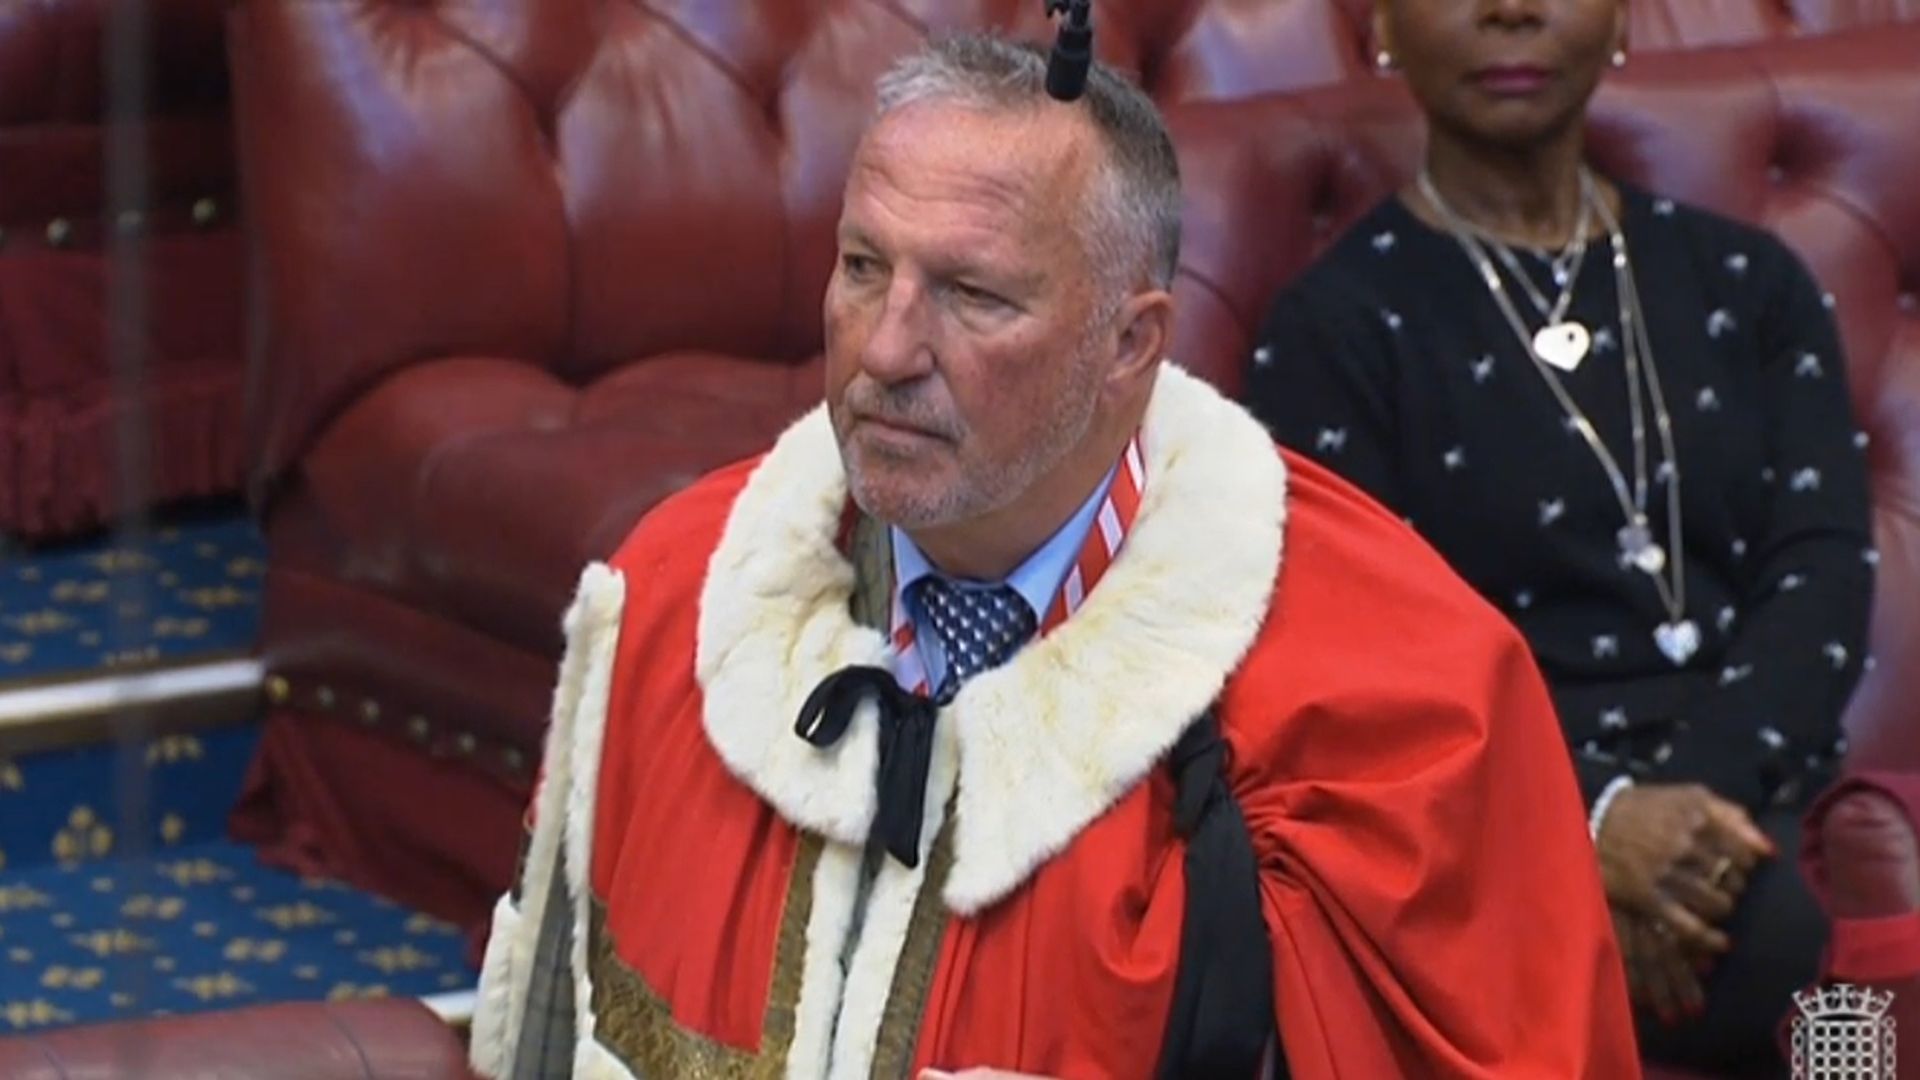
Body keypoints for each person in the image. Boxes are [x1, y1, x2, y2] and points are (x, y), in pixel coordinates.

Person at [469, 33, 1638, 1080]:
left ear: (1128, 343)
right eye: (864, 266)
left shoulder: (1402, 712)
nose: (884, 350)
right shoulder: (679, 600)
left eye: (974, 295)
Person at [1244, 1, 1876, 1074]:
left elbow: (1820, 574)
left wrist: (1682, 836)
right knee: (1804, 959)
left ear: (1621, 17)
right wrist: (1598, 825)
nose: (1511, 10)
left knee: (1815, 951)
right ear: (1384, 27)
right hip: (1491, 830)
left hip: (1757, 803)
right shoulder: (1332, 331)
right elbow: (1360, 663)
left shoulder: (1749, 285)